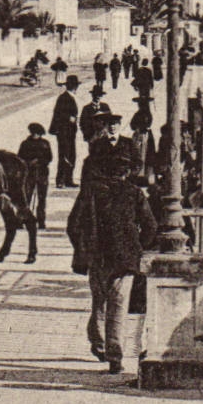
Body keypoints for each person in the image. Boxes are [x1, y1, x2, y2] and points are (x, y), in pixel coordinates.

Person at [68, 142, 157, 374]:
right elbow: (150, 226)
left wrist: (83, 248)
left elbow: (73, 225)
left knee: (99, 300)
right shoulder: (134, 193)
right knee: (119, 304)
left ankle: (99, 344)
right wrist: (138, 247)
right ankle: (115, 354)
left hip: (98, 256)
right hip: (125, 257)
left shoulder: (90, 191)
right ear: (126, 172)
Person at [17, 122, 54, 229]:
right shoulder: (25, 144)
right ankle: (22, 219)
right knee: (26, 198)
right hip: (29, 175)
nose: (35, 135)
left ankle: (41, 221)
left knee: (42, 199)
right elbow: (20, 158)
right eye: (34, 133)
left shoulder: (45, 144)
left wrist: (39, 161)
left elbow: (49, 158)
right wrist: (29, 163)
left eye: (37, 134)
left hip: (42, 174)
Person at [49, 74, 81, 188]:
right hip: (63, 132)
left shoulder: (70, 97)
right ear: (74, 87)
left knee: (71, 155)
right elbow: (58, 113)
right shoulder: (64, 97)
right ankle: (60, 180)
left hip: (70, 132)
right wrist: (69, 118)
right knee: (64, 156)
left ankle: (68, 179)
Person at [79, 108, 121, 186]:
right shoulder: (96, 134)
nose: (99, 122)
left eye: (101, 120)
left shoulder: (106, 133)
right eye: (97, 120)